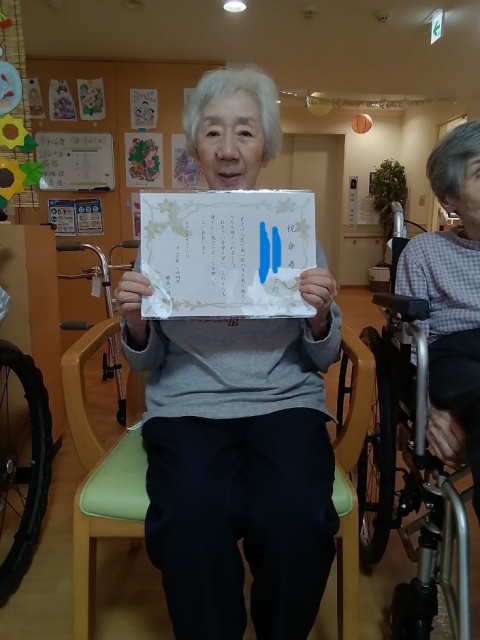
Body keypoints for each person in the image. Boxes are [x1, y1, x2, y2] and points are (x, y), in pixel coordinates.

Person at [114, 67, 342, 640]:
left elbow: (323, 357)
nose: (228, 148)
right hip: (188, 406)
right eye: (212, 131)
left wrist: (319, 317)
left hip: (285, 402)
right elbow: (145, 362)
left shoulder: (296, 233)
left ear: (266, 148)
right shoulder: (166, 234)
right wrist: (136, 323)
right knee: (191, 518)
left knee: (296, 516)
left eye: (244, 131)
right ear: (196, 148)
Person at [395, 119, 480, 520]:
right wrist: (426, 407)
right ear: (449, 196)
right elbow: (411, 340)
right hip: (455, 355)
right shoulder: (425, 251)